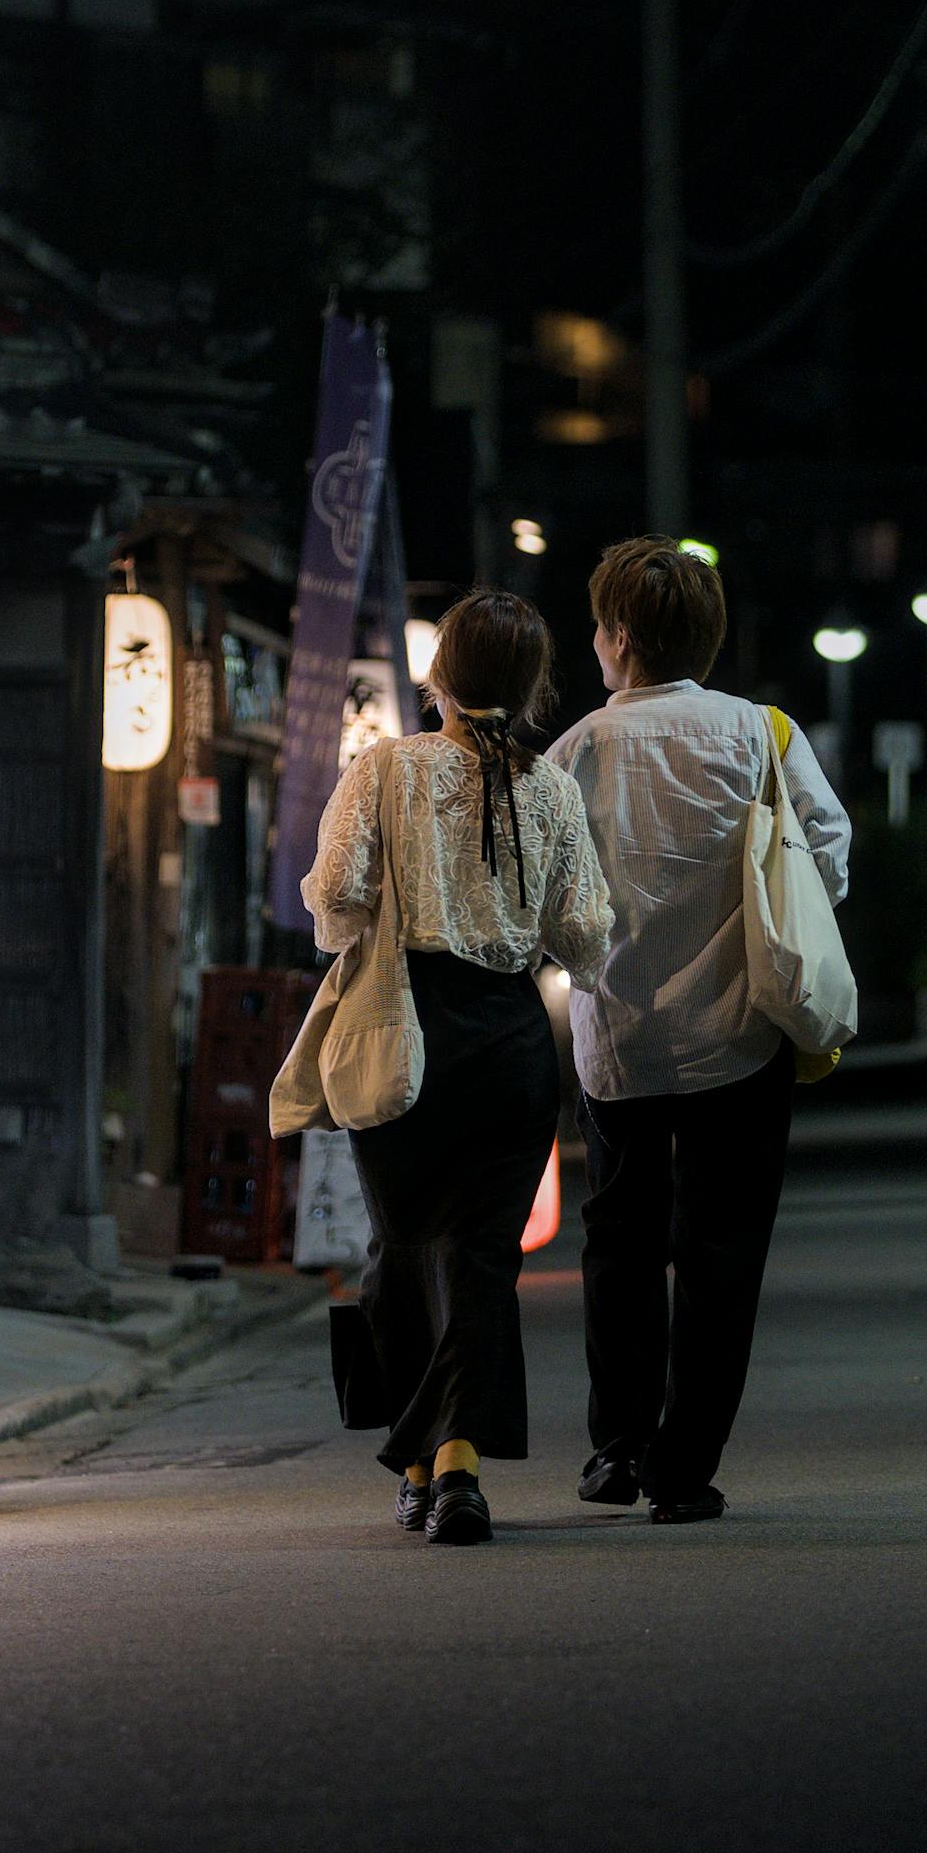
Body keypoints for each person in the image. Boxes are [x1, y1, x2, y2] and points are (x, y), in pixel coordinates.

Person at [546, 536, 849, 1525]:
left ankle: (617, 1446)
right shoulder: (763, 733)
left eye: (598, 625)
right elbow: (826, 858)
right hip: (743, 1032)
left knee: (619, 1244)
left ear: (621, 636)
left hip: (620, 1039)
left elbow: (545, 891)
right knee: (722, 1252)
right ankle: (687, 1465)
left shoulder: (580, 748)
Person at [303, 589, 613, 1546]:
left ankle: (436, 1465)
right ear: (530, 689)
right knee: (480, 1259)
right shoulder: (550, 788)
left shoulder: (382, 770)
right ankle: (450, 1466)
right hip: (509, 1040)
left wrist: (381, 916)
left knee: (404, 1246)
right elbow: (586, 932)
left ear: (437, 676)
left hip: (406, 1026)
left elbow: (335, 896)